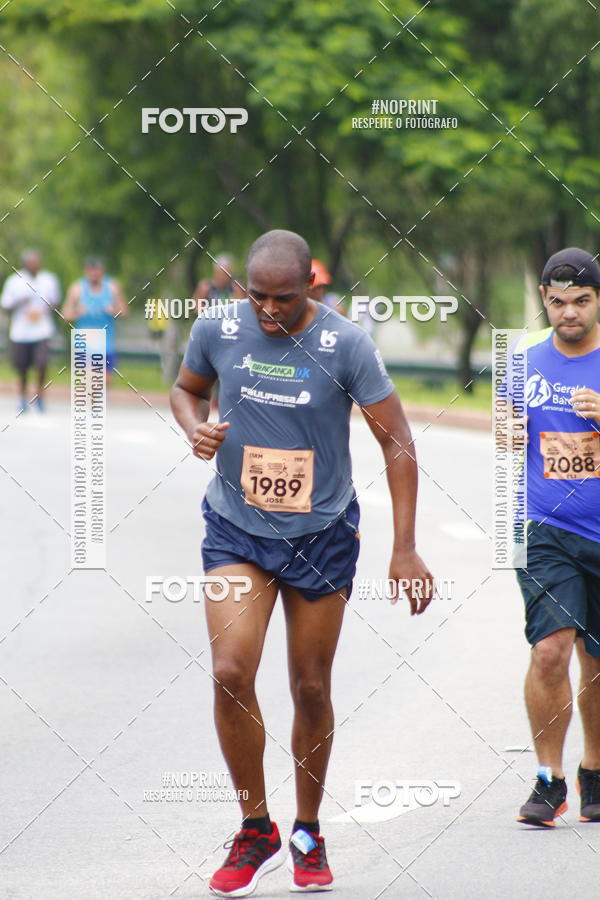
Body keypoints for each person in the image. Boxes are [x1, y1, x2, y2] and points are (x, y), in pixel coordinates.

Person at [170, 229, 434, 896]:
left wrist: (404, 546)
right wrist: (192, 425)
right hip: (236, 528)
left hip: (321, 534)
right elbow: (185, 389)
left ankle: (308, 828)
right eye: (256, 296)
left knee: (310, 687)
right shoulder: (219, 328)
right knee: (231, 669)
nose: (268, 311)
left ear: (309, 286)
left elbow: (397, 441)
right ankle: (255, 826)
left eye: (282, 299)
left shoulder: (346, 344)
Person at [509, 248, 600, 828]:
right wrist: (508, 431)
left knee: (597, 660)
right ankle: (550, 779)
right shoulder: (521, 366)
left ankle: (594, 769)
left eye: (582, 301)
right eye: (558, 301)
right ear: (545, 299)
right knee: (551, 650)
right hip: (546, 528)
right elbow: (506, 444)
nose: (569, 312)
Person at [1, 249, 61, 413]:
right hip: (21, 332)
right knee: (22, 367)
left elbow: (55, 302)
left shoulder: (48, 279)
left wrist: (48, 308)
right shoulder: (15, 281)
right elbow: (5, 306)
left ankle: (40, 396)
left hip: (42, 330)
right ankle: (22, 396)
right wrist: (19, 302)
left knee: (42, 363)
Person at [62, 256, 128, 378]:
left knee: (105, 380)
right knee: (88, 380)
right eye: (91, 270)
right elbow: (65, 316)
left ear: (103, 271)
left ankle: (97, 397)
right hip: (84, 342)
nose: (94, 273)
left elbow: (124, 312)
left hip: (106, 343)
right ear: (85, 271)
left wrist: (114, 311)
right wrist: (77, 312)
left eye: (97, 269)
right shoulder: (77, 288)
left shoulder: (112, 287)